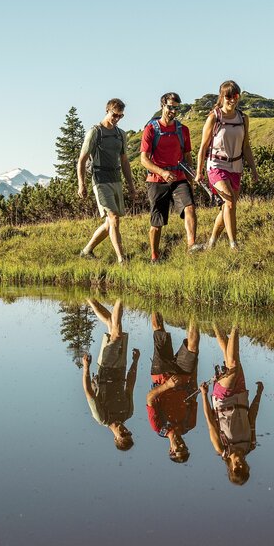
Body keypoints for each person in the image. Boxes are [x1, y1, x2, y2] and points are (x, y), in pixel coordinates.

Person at [139, 92, 205, 262]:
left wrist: (191, 181)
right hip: (156, 181)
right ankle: (154, 256)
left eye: (176, 108)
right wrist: (162, 172)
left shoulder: (183, 130)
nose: (173, 111)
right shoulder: (151, 129)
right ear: (162, 106)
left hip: (179, 177)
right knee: (157, 223)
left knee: (189, 208)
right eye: (170, 107)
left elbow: (187, 157)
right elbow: (144, 160)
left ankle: (192, 246)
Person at [200, 321, 265, 485]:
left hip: (222, 399)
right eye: (244, 469)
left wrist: (204, 394)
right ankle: (214, 322)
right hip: (241, 395)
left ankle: (236, 321)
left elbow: (210, 421)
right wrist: (258, 395)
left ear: (230, 469)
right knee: (231, 357)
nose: (240, 465)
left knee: (233, 365)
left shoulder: (221, 448)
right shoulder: (250, 445)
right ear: (248, 468)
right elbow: (252, 417)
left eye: (237, 470)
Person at [196, 79, 257, 251]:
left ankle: (211, 243)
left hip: (236, 166)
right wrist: (199, 171)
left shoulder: (243, 118)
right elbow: (203, 147)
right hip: (216, 165)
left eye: (235, 95)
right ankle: (233, 245)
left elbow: (246, 146)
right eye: (228, 96)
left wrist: (253, 169)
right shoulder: (214, 117)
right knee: (229, 202)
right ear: (222, 97)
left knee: (227, 207)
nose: (232, 100)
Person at [77, 99, 135, 264]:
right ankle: (121, 259)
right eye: (114, 115)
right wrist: (82, 184)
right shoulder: (95, 132)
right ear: (107, 111)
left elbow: (124, 161)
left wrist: (130, 185)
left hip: (116, 179)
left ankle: (87, 251)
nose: (117, 118)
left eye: (120, 116)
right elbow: (82, 160)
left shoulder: (120, 134)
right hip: (100, 180)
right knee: (114, 217)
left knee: (110, 222)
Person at [81, 297, 140, 451]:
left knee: (117, 334)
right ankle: (89, 297)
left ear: (116, 438)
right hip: (121, 368)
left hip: (105, 369)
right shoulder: (128, 413)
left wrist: (86, 367)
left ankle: (121, 295)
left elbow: (88, 393)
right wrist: (135, 362)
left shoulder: (102, 418)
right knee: (110, 324)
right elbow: (130, 386)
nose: (125, 430)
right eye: (128, 433)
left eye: (123, 435)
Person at [146, 310, 199, 463]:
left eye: (178, 450)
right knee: (193, 345)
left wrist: (167, 385)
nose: (181, 446)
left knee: (159, 330)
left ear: (171, 450)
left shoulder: (158, 427)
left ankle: (155, 300)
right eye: (185, 448)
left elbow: (149, 398)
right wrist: (194, 371)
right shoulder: (190, 424)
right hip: (183, 375)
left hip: (161, 374)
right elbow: (193, 395)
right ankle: (193, 310)